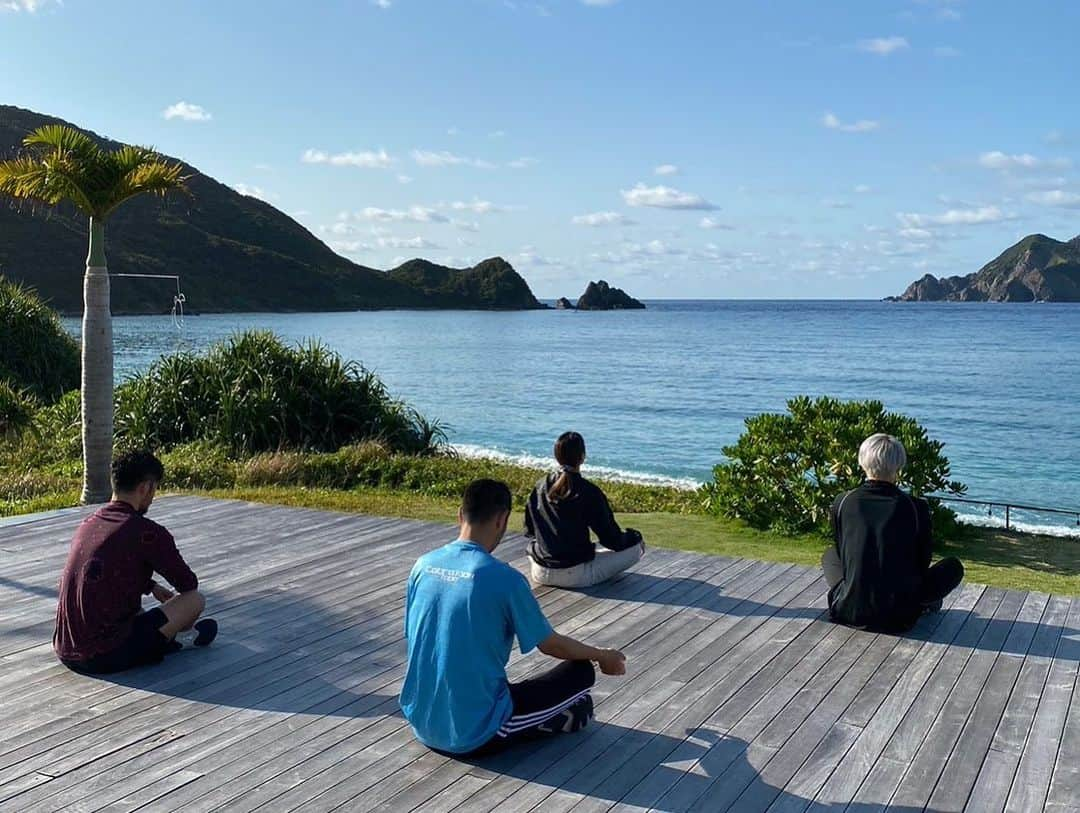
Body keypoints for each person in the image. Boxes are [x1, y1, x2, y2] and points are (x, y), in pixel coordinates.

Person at [400, 478, 627, 757]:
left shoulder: (422, 566)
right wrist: (602, 655)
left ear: (460, 514)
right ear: (502, 520)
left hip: (420, 721)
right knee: (580, 672)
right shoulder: (505, 579)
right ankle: (549, 722)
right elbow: (550, 645)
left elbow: (415, 636)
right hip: (474, 733)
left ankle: (549, 718)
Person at [54, 450, 217, 675]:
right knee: (194, 600)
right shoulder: (147, 533)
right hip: (105, 656)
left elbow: (102, 570)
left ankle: (167, 638)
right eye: (154, 490)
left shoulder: (89, 524)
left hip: (67, 649)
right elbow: (187, 584)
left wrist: (150, 586)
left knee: (133, 609)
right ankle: (180, 639)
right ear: (145, 488)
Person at [822, 433, 964, 632]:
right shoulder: (916, 507)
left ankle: (855, 596)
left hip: (847, 610)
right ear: (899, 466)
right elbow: (922, 560)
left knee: (830, 555)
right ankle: (924, 603)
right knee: (953, 567)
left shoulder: (843, 501)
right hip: (899, 616)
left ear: (862, 462)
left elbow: (843, 551)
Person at [524, 432, 646, 588]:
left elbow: (530, 530)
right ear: (582, 457)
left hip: (539, 571)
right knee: (636, 549)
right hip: (575, 575)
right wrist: (634, 537)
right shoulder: (589, 491)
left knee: (537, 545)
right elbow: (612, 540)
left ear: (557, 456)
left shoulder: (540, 485)